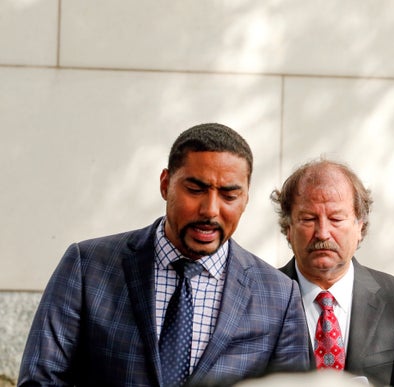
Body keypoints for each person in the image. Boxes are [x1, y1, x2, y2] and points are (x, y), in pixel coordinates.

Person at [18, 123, 310, 387]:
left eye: (229, 195)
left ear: (245, 198)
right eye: (195, 189)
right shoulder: (88, 266)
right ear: (165, 184)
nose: (210, 209)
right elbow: (41, 380)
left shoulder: (278, 296)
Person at [270, 159, 394, 386]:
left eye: (336, 219)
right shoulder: (259, 299)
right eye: (309, 219)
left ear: (360, 227)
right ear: (288, 229)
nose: (323, 233)